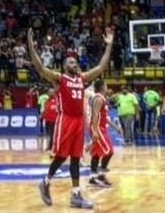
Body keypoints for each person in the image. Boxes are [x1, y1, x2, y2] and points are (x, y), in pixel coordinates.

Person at [30, 27, 113, 209]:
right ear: (64, 66)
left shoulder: (82, 79)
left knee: (75, 157)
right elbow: (40, 67)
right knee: (61, 156)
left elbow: (101, 67)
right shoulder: (59, 79)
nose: (74, 64)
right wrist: (31, 44)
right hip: (65, 120)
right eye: (71, 62)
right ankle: (45, 182)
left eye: (75, 62)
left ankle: (76, 195)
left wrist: (109, 45)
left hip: (78, 122)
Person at [87, 80, 122, 188]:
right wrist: (95, 130)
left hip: (100, 127)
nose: (107, 87)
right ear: (102, 87)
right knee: (109, 151)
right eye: (106, 85)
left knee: (96, 153)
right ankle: (100, 175)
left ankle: (93, 177)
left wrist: (115, 127)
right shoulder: (98, 98)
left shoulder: (102, 98)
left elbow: (105, 117)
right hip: (97, 127)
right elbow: (95, 115)